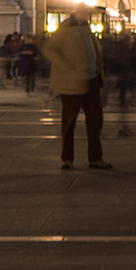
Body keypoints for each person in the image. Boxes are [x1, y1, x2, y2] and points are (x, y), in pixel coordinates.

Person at [43, 12, 112, 171]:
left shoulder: (87, 28)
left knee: (96, 120)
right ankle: (67, 159)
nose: (88, 14)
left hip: (91, 80)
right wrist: (67, 68)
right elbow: (49, 49)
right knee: (69, 122)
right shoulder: (66, 28)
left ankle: (95, 158)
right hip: (72, 82)